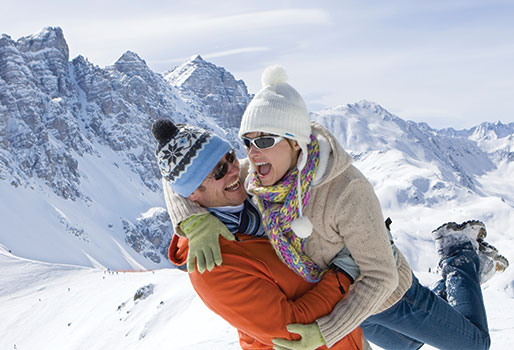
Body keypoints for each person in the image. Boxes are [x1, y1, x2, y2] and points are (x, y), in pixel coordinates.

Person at [163, 65, 508, 350]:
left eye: (264, 141)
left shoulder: (345, 189)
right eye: (246, 143)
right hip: (341, 302)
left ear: (294, 142)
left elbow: (381, 276)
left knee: (473, 344)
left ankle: (459, 252)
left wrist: (328, 330)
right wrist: (192, 221)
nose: (248, 156)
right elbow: (181, 173)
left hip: (385, 294)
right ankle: (451, 285)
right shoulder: (256, 174)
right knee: (407, 346)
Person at [151, 120, 369, 349]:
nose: (235, 170)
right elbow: (290, 329)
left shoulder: (257, 196)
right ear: (193, 193)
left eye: (230, 157)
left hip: (349, 334)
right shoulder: (213, 265)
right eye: (219, 171)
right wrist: (344, 272)